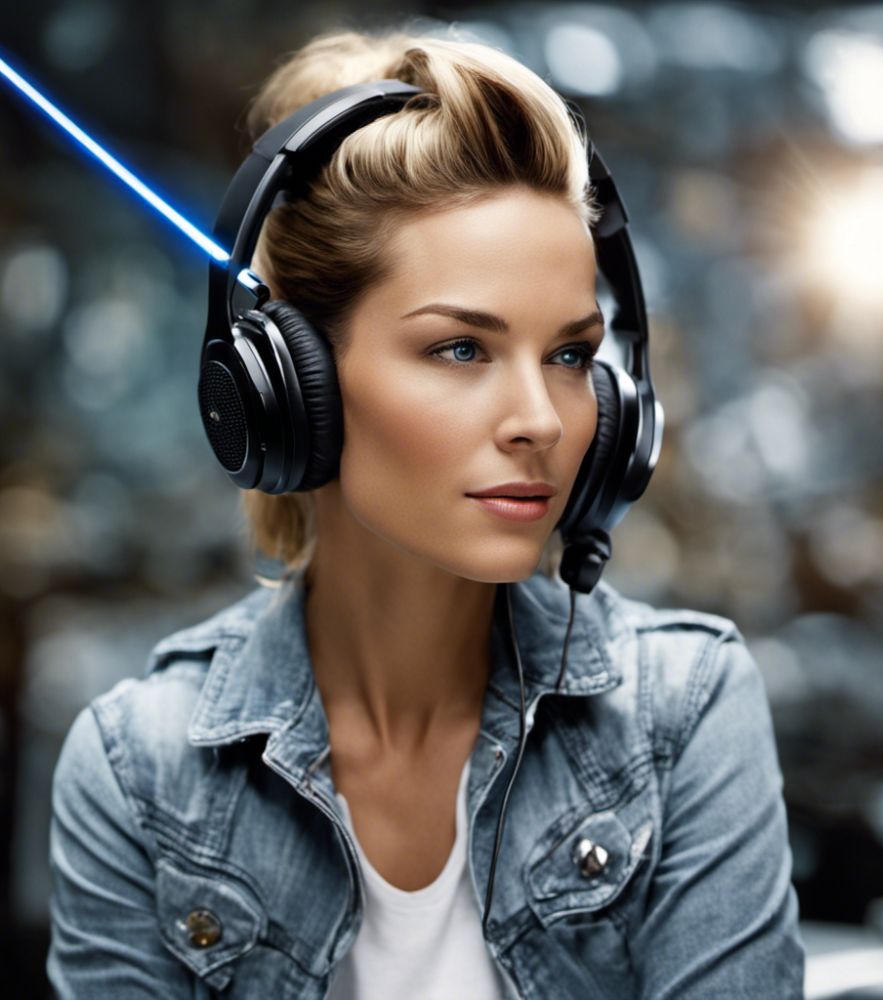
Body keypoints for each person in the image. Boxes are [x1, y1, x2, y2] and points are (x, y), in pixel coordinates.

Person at [46, 26, 805, 1000]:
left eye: (572, 356)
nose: (540, 420)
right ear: (285, 384)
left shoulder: (684, 707)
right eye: (460, 349)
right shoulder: (136, 771)